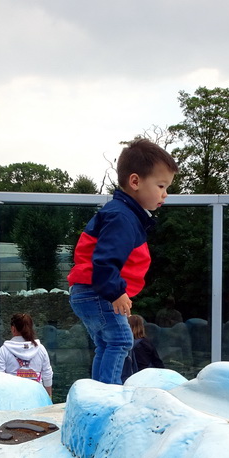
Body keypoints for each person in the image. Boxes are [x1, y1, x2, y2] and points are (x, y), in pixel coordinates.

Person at [66, 138, 178, 384]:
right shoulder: (122, 217)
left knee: (106, 343)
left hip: (89, 290)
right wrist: (116, 292)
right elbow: (104, 260)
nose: (165, 194)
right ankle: (108, 393)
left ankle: (98, 391)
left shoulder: (124, 215)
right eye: (161, 185)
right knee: (121, 340)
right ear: (135, 181)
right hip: (98, 290)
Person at [0, 312, 54, 398]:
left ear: (13, 329)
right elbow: (47, 374)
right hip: (36, 398)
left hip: (13, 398)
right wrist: (49, 397)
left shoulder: (4, 350)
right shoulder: (40, 349)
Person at [122, 314, 164, 381]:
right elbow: (157, 362)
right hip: (145, 377)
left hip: (128, 378)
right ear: (142, 326)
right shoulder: (146, 343)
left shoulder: (123, 343)